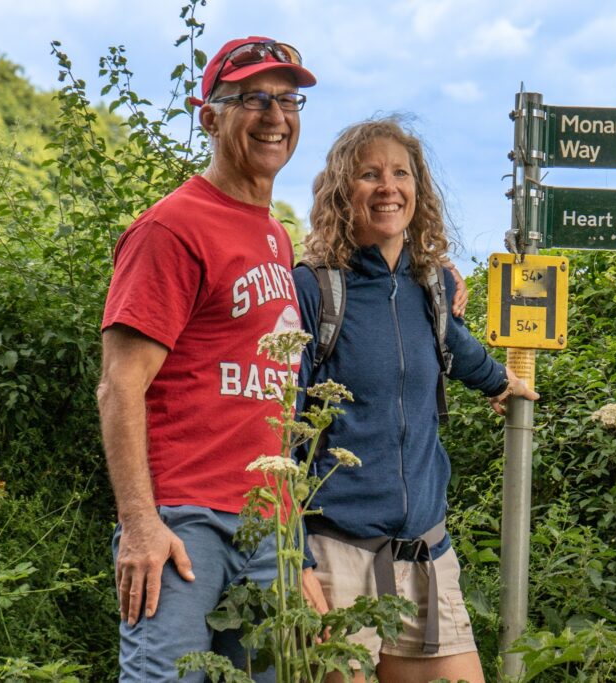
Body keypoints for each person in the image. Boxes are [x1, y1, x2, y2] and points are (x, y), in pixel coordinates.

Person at [96, 36, 317, 682]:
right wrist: (139, 524)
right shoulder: (171, 228)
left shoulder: (277, 236)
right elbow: (119, 385)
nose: (276, 116)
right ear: (210, 116)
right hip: (183, 528)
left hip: (266, 531)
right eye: (253, 98)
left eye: (288, 99)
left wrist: (292, 545)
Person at [295, 116, 539, 683]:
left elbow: (451, 343)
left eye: (401, 173)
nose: (388, 187)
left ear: (418, 189)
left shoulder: (431, 285)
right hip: (337, 558)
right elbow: (277, 432)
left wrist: (500, 382)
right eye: (369, 175)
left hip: (426, 554)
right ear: (340, 192)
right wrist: (297, 562)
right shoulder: (314, 289)